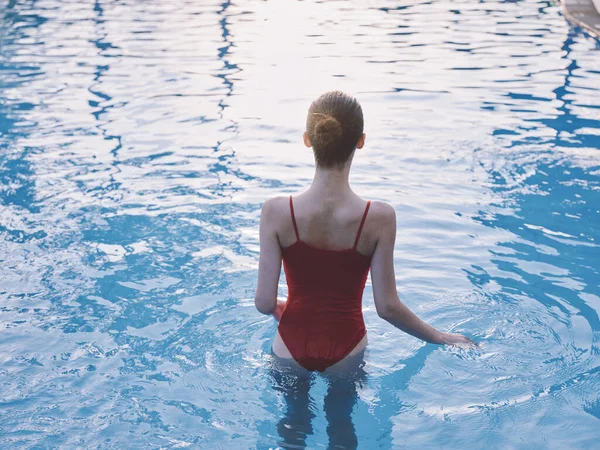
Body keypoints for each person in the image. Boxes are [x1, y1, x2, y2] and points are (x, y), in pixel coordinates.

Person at [255, 90, 477, 375]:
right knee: (342, 420)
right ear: (360, 142)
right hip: (347, 349)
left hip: (289, 344)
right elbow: (387, 308)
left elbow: (264, 303)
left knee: (291, 420)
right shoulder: (379, 218)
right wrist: (441, 337)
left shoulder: (276, 212)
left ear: (307, 139)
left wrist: (294, 307)